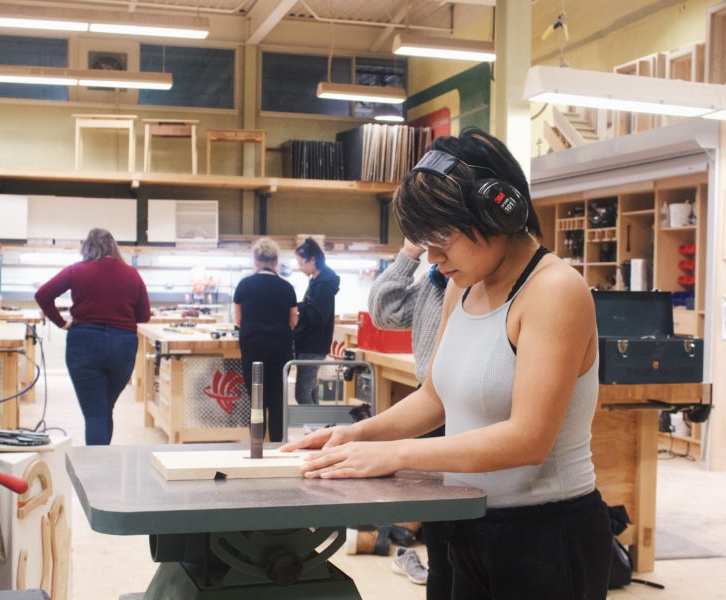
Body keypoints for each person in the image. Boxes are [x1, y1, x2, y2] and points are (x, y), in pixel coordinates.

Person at [283, 128, 612, 599]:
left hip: (543, 535)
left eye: (443, 238)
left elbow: (529, 438)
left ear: (499, 209)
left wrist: (394, 455)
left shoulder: (554, 290)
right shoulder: (463, 284)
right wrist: (356, 435)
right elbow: (434, 397)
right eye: (424, 241)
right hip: (463, 519)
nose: (434, 259)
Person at [368, 239, 450, 598]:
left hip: (465, 408)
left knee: (462, 522)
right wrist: (408, 253)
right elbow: (384, 312)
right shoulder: (434, 281)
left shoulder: (478, 284)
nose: (437, 255)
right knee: (439, 524)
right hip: (430, 400)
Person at [35, 228, 150, 445]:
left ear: (87, 247)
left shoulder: (76, 270)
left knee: (96, 413)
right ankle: (103, 466)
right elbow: (143, 315)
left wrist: (61, 323)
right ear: (113, 247)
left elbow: (42, 295)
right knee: (105, 408)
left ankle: (96, 473)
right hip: (122, 345)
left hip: (84, 343)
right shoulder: (131, 274)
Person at [233, 238, 298, 442]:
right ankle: (278, 443)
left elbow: (238, 320)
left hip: (253, 346)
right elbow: (293, 321)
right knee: (277, 398)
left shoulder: (244, 285)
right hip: (280, 347)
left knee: (256, 397)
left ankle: (256, 445)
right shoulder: (287, 287)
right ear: (276, 262)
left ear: (255, 261)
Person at [293, 237, 340, 405]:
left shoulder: (324, 285)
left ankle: (315, 431)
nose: (300, 268)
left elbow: (318, 316)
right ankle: (319, 429)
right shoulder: (316, 281)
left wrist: (298, 308)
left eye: (301, 263)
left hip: (313, 344)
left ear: (312, 260)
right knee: (310, 391)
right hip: (310, 344)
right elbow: (311, 308)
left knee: (302, 393)